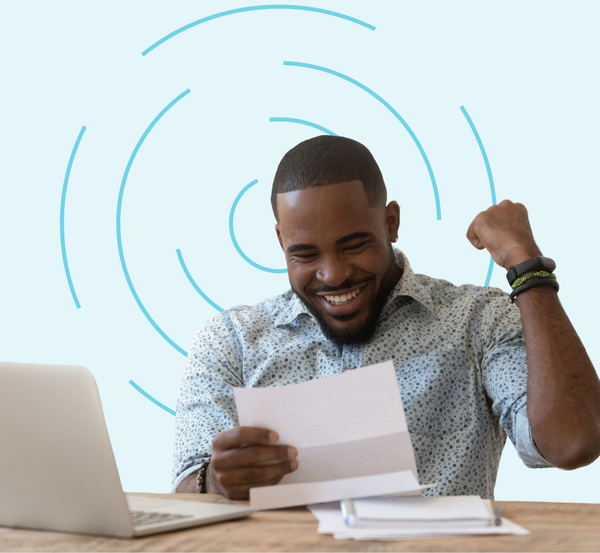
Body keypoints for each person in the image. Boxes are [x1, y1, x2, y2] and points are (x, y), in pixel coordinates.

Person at [172, 135, 600, 499]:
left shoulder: (478, 321)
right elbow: (186, 488)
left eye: (354, 245)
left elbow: (572, 442)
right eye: (304, 254)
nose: (333, 274)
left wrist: (528, 269)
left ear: (391, 222)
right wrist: (213, 482)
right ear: (281, 240)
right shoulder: (230, 341)